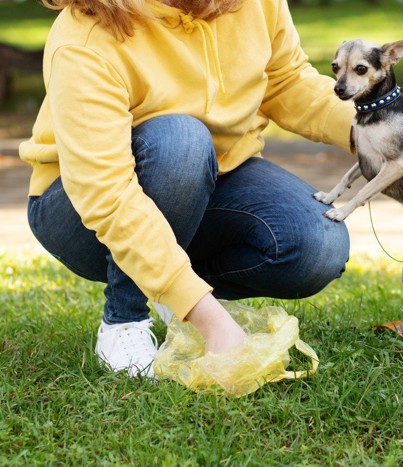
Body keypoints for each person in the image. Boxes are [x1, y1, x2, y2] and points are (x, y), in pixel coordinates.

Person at [19, 0, 356, 377]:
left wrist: (377, 130)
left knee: (319, 246)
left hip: (214, 180)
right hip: (79, 209)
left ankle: (173, 285)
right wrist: (211, 322)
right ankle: (124, 320)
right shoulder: (84, 37)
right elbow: (106, 194)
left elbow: (286, 81)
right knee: (182, 141)